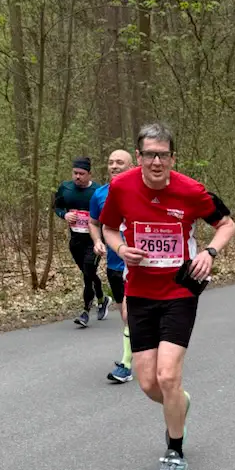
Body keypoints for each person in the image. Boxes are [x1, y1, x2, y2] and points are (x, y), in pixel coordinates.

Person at [98, 123, 235, 470]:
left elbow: (226, 224)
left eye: (163, 154)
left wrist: (210, 251)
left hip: (180, 290)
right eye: (149, 154)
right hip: (140, 292)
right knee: (148, 384)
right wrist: (119, 248)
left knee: (168, 375)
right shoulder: (121, 186)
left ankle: (175, 450)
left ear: (172, 157)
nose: (156, 161)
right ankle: (179, 402)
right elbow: (109, 227)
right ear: (139, 157)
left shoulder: (191, 190)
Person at [88, 149, 135, 384]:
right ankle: (143, 348)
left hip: (139, 266)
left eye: (120, 162)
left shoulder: (141, 191)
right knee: (126, 317)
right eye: (110, 162)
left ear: (131, 165)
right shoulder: (100, 194)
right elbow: (93, 222)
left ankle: (126, 364)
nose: (114, 166)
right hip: (115, 265)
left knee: (129, 312)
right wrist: (97, 240)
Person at [54, 157, 108, 328]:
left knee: (87, 274)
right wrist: (65, 215)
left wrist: (102, 239)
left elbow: (107, 215)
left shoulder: (98, 191)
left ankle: (85, 312)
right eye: (75, 173)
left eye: (81, 174)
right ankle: (103, 298)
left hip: (94, 241)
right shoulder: (66, 188)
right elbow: (57, 206)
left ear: (89, 174)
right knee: (89, 273)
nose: (77, 177)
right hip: (76, 241)